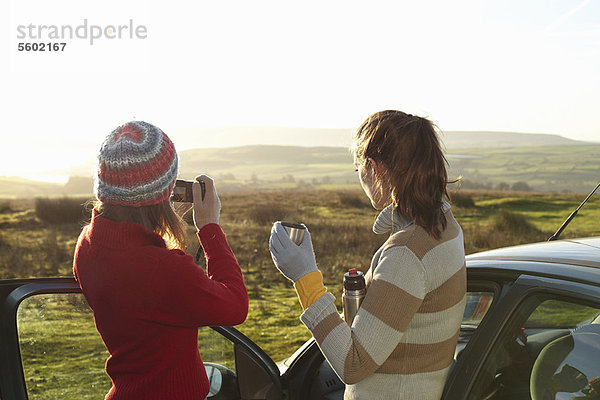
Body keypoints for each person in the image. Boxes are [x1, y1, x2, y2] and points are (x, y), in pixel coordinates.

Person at [269, 110, 466, 400]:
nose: (359, 178)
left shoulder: (407, 253)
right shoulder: (445, 225)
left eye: (357, 168)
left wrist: (305, 277)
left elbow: (353, 365)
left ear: (375, 168)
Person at [73, 121, 248, 400]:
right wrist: (209, 227)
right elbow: (236, 306)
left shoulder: (87, 244)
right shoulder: (163, 269)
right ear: (165, 191)